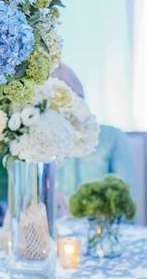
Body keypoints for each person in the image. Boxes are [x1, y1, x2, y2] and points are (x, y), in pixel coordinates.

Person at [54, 64, 134, 197]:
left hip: (96, 218)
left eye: (70, 95)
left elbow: (126, 203)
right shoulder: (36, 143)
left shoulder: (113, 138)